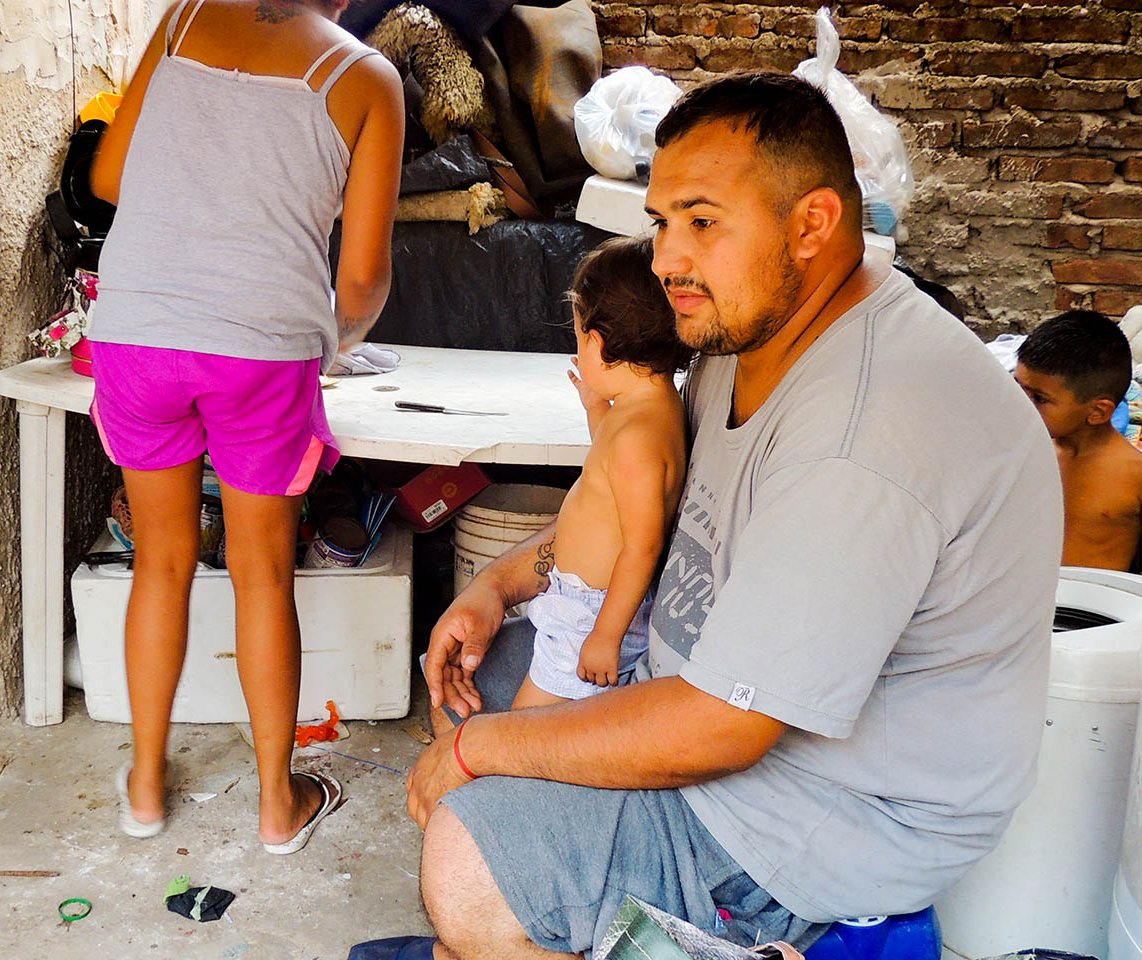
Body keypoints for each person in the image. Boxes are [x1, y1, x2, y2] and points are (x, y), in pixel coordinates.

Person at [350, 73, 1062, 960]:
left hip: (819, 821)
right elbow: (633, 509)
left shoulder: (863, 437)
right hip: (706, 687)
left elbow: (726, 728)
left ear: (812, 224)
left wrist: (480, 757)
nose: (664, 260)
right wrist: (498, 585)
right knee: (478, 681)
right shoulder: (748, 331)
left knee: (465, 861)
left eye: (703, 220)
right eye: (660, 221)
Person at [86, 0, 403, 850]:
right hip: (264, 349)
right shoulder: (367, 78)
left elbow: (110, 177)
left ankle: (146, 790)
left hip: (136, 331)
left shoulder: (185, 15)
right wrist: (331, 342)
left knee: (161, 560)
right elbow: (363, 277)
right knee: (263, 572)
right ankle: (276, 804)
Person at [511, 235, 691, 709]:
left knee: (525, 726)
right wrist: (596, 410)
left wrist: (605, 636)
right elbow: (611, 475)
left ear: (599, 341)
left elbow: (643, 545)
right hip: (585, 604)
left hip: (593, 614)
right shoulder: (649, 410)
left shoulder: (637, 438)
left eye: (577, 336)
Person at [1016, 309, 1142, 571]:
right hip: (1022, 602)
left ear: (1097, 412)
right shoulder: (1020, 455)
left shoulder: (1134, 475)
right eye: (1017, 387)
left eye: (1039, 398)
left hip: (1093, 606)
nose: (1021, 405)